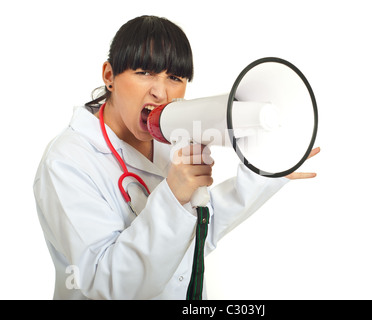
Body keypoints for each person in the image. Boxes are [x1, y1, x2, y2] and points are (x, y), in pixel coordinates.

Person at [33, 15, 320, 300]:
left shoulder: (170, 138)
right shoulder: (67, 161)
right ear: (109, 76)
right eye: (144, 72)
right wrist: (172, 196)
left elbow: (194, 237)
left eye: (175, 77)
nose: (160, 91)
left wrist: (263, 173)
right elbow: (106, 285)